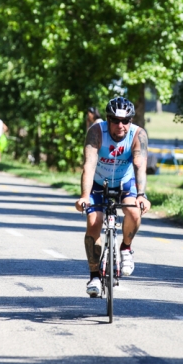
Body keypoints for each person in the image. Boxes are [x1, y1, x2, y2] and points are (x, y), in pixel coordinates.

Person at [74, 97, 151, 297]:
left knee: (134, 212)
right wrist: (84, 196)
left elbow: (139, 165)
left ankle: (126, 248)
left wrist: (141, 195)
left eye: (125, 121)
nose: (120, 125)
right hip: (99, 183)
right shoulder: (96, 131)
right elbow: (89, 165)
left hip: (125, 182)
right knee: (94, 221)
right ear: (108, 119)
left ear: (131, 121)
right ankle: (94, 277)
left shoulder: (137, 134)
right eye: (115, 120)